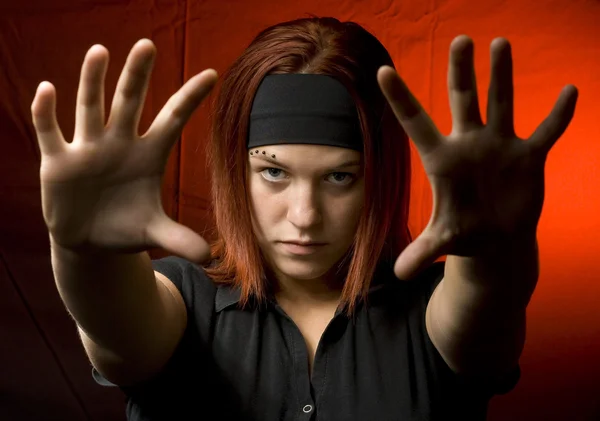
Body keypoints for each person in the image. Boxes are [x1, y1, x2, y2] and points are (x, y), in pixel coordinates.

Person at [31, 16, 577, 421]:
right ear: (235, 170)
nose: (304, 216)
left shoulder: (434, 314)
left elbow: (489, 303)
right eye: (273, 173)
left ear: (380, 177)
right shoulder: (180, 305)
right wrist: (85, 252)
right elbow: (115, 324)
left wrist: (499, 253)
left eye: (340, 176)